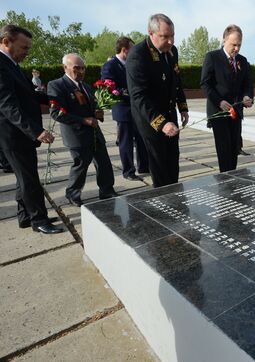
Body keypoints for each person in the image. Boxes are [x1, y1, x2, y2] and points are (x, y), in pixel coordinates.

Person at [0, 25, 63, 234]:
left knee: (23, 177)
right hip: (13, 134)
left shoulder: (11, 65)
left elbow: (28, 94)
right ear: (6, 42)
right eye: (24, 47)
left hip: (20, 134)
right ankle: (39, 220)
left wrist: (56, 99)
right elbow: (8, 105)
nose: (27, 52)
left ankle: (25, 216)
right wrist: (36, 131)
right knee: (29, 179)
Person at [126, 14, 189, 188]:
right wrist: (162, 124)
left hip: (170, 114)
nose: (170, 41)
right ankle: (164, 202)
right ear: (151, 33)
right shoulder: (138, 55)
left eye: (172, 36)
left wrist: (182, 107)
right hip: (151, 120)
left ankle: (175, 193)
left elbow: (176, 81)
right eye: (165, 37)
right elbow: (138, 96)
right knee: (159, 165)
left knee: (172, 159)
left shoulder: (172, 51)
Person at [48, 53, 117, 207]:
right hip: (76, 134)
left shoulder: (85, 86)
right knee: (81, 165)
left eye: (83, 68)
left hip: (94, 133)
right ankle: (73, 194)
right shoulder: (57, 85)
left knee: (104, 163)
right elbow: (56, 113)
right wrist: (84, 120)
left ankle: (107, 190)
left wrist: (97, 112)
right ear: (65, 67)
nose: (80, 71)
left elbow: (91, 107)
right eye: (76, 68)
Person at [200, 24, 253, 172]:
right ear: (224, 40)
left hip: (236, 111)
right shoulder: (212, 57)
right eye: (233, 44)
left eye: (239, 45)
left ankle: (233, 178)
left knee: (234, 148)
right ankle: (225, 180)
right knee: (224, 150)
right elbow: (205, 84)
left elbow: (248, 84)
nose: (236, 48)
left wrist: (247, 96)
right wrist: (219, 101)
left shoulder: (242, 60)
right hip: (219, 111)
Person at [101, 36, 149, 182]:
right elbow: (109, 87)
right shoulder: (110, 66)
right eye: (132, 49)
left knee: (142, 139)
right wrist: (129, 92)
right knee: (126, 142)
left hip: (137, 109)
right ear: (124, 50)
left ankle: (144, 166)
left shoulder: (132, 64)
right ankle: (128, 171)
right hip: (123, 110)